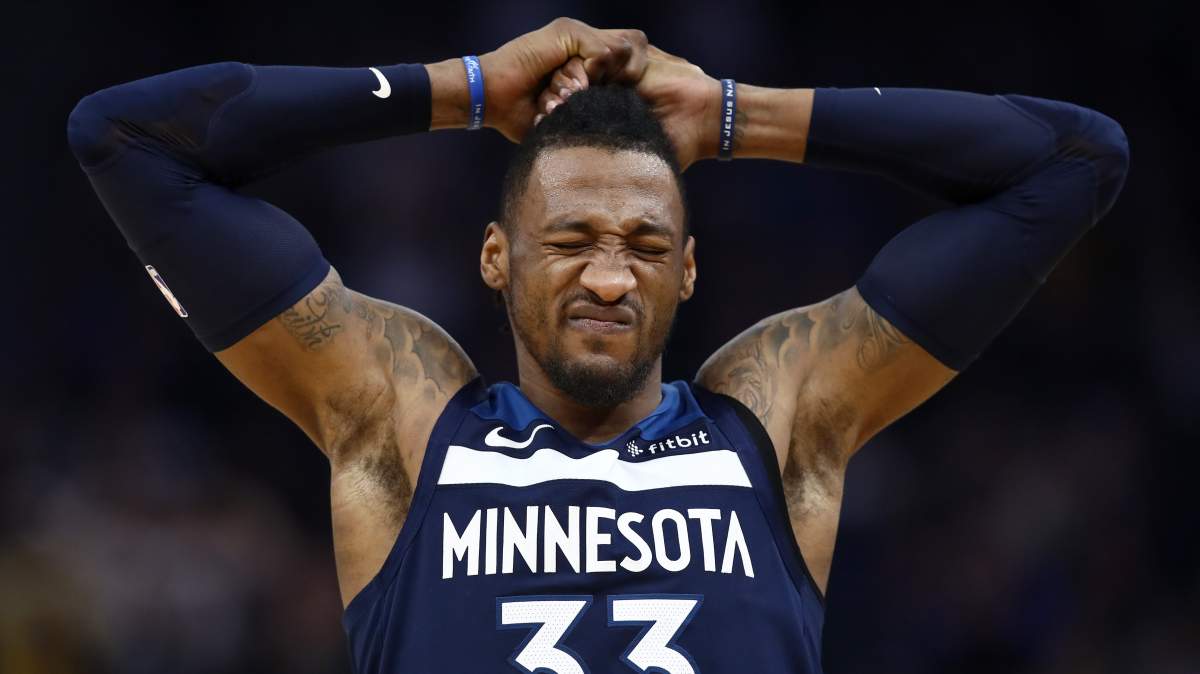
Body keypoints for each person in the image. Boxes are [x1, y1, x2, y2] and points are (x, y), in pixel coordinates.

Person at [67, 17, 1128, 674]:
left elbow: (1074, 160)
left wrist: (733, 115)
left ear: (689, 270)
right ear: (497, 257)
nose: (610, 276)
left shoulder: (775, 416)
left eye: (645, 246)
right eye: (571, 240)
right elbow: (124, 137)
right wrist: (464, 90)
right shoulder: (405, 418)